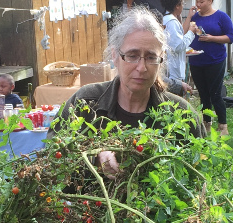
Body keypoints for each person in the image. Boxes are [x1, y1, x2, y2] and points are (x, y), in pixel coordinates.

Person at [48, 7, 204, 177]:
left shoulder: (182, 116)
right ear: (115, 56)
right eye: (132, 55)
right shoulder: (84, 103)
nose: (142, 67)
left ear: (161, 59)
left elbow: (198, 176)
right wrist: (94, 160)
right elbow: (52, 158)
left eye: (151, 57)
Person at [188, 0, 233, 136]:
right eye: (197, 1)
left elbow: (230, 37)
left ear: (210, 1)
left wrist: (211, 38)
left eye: (201, 1)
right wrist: (189, 17)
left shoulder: (221, 17)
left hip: (215, 60)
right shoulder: (194, 17)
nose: (198, 4)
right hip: (196, 61)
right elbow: (184, 33)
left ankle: (223, 125)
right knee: (203, 94)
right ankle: (206, 123)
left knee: (215, 93)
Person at [161, 0, 196, 96]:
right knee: (175, 100)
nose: (183, 6)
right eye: (182, 4)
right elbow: (178, 46)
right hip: (172, 70)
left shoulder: (167, 19)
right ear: (177, 6)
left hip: (170, 67)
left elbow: (178, 38)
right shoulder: (171, 22)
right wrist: (191, 32)